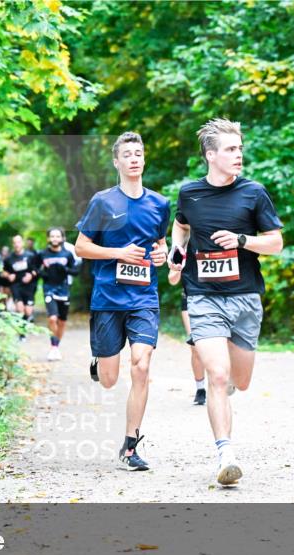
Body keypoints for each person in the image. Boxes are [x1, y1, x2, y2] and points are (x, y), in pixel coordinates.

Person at [168, 118, 284, 486]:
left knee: (240, 381)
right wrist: (177, 249)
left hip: (246, 298)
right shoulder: (190, 193)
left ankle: (227, 392)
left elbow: (276, 243)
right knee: (216, 376)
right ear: (210, 155)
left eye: (240, 149)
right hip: (202, 296)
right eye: (232, 149)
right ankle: (225, 454)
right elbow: (181, 225)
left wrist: (242, 241)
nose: (239, 155)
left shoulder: (254, 193)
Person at [74, 131, 169, 472]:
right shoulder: (103, 202)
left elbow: (160, 245)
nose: (133, 158)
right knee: (111, 378)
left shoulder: (159, 204)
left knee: (142, 365)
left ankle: (131, 446)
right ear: (116, 161)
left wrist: (161, 255)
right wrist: (117, 253)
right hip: (108, 297)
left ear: (144, 159)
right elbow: (81, 247)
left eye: (138, 153)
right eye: (127, 154)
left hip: (143, 296)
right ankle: (100, 362)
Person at [168, 240, 207, 405]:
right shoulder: (181, 246)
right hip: (190, 298)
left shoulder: (215, 238)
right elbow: (172, 279)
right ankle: (200, 388)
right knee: (195, 346)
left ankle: (221, 380)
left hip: (216, 297)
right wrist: (177, 269)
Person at [38, 227, 80, 360]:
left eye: (57, 236)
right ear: (48, 238)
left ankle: (56, 346)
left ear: (62, 238)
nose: (55, 239)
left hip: (63, 289)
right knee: (52, 318)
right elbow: (34, 267)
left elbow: (75, 271)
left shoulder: (67, 254)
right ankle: (53, 347)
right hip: (49, 288)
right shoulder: (42, 254)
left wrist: (65, 269)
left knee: (62, 322)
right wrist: (43, 273)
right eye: (52, 236)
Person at [1, 235, 39, 337]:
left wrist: (31, 275)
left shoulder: (30, 256)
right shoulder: (9, 258)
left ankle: (27, 322)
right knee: (20, 309)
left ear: (22, 243)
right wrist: (9, 275)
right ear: (12, 244)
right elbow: (2, 271)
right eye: (14, 242)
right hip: (16, 286)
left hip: (29, 286)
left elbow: (37, 270)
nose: (17, 244)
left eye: (18, 242)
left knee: (28, 311)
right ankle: (22, 334)